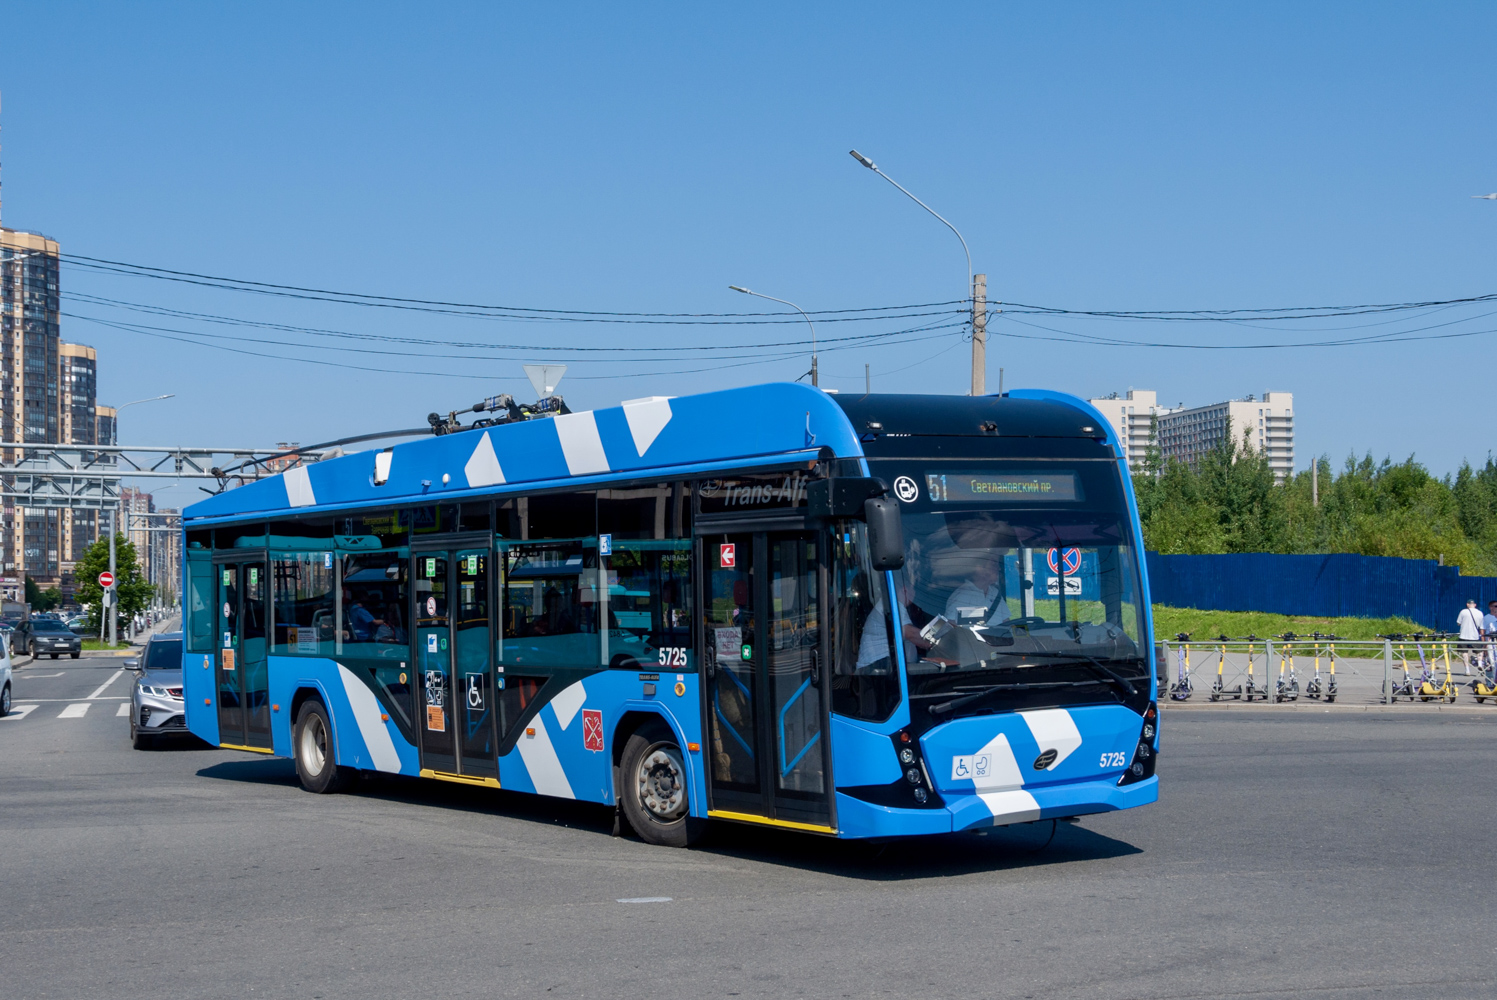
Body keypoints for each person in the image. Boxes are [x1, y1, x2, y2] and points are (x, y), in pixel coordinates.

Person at [944, 552, 1012, 627]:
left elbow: (1007, 623)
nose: (999, 568)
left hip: (996, 637)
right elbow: (950, 627)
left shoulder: (995, 593)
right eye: (994, 565)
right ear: (979, 568)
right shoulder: (963, 595)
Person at [1456, 598, 1484, 675]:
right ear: (1475, 605)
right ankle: (1480, 664)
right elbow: (1481, 625)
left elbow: (1458, 623)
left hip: (1464, 636)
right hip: (1475, 636)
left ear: (1467, 604)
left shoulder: (1463, 612)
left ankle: (1467, 670)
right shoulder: (1480, 613)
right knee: (1479, 651)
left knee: (1464, 653)